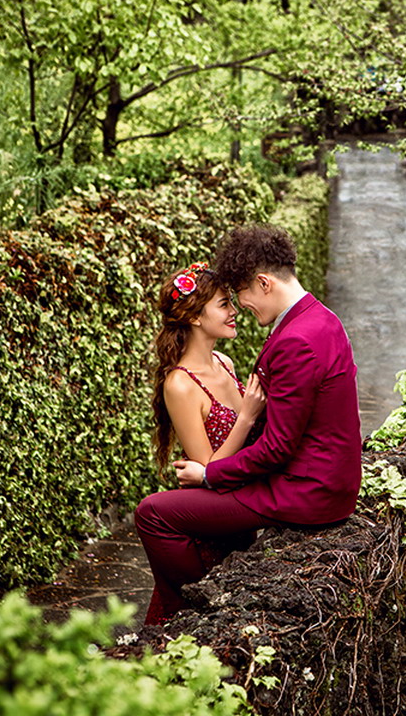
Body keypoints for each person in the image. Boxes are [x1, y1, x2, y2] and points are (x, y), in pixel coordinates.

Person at [136, 225, 362, 625]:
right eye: (227, 302)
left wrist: (209, 475)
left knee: (152, 513)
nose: (240, 307)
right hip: (322, 481)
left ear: (263, 283)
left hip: (305, 490)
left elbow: (277, 447)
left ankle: (196, 610)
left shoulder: (294, 340)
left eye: (238, 295)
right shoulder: (323, 319)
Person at [138, 260, 268, 624]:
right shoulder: (180, 385)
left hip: (243, 508)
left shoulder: (225, 363)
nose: (234, 311)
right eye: (224, 304)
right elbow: (208, 470)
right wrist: (246, 417)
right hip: (209, 526)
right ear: (195, 317)